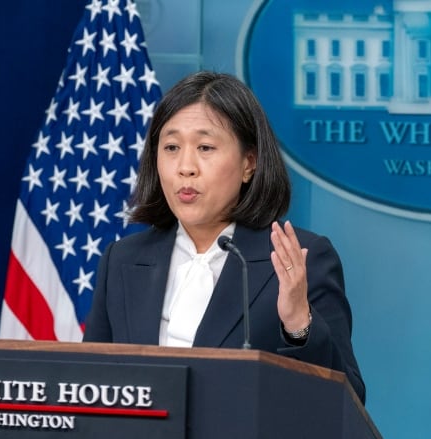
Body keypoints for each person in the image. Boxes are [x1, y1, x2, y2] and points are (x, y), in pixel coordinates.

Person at [83, 71, 365, 403]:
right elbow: (91, 387)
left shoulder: (301, 258)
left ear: (249, 163)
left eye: (205, 147)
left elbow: (347, 402)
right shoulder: (123, 259)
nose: (185, 167)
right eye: (171, 147)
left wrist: (298, 325)